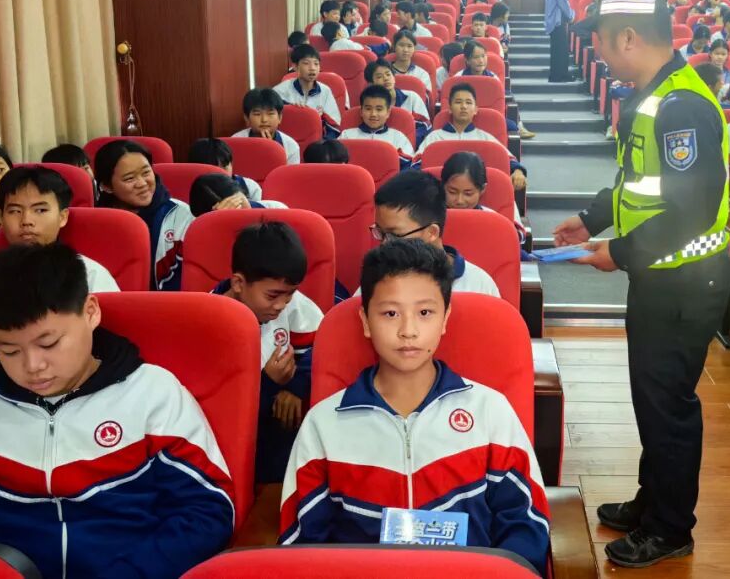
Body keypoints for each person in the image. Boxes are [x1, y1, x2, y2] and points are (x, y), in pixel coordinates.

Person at [550, 0, 730, 567]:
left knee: (668, 406)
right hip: (662, 277)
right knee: (651, 399)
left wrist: (621, 252)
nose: (598, 51)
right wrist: (591, 217)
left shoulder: (681, 107)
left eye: (601, 39)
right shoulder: (653, 96)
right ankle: (651, 500)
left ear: (628, 36)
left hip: (685, 282)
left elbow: (693, 208)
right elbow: (640, 182)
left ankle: (669, 528)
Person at [0, 244, 233, 578]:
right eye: (9, 350)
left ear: (91, 312)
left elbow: (209, 510)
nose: (32, 366)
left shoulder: (152, 394)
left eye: (49, 344)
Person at [278, 239, 548, 572]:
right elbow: (302, 546)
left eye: (425, 313)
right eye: (390, 313)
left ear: (445, 319)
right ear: (365, 320)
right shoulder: (324, 424)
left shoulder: (489, 411)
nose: (408, 331)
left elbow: (525, 522)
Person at [214, 222, 322, 483]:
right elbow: (221, 407)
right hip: (235, 438)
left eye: (290, 294)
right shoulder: (211, 320)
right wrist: (269, 382)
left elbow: (323, 346)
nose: (282, 305)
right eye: (273, 296)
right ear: (238, 283)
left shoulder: (291, 305)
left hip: (283, 436)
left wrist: (295, 386)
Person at [0, 166, 119, 300]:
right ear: (2, 218)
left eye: (40, 210)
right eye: (14, 211)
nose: (26, 221)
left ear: (62, 217)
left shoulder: (90, 275)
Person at [371, 170, 500, 297]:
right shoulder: (377, 279)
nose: (384, 244)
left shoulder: (478, 286)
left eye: (394, 235)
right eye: (380, 232)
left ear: (432, 232)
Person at [95, 140, 193, 291]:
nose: (142, 183)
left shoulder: (181, 215)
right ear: (106, 186)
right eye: (129, 178)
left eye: (146, 172)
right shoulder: (96, 222)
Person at [417, 83, 528, 191]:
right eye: (458, 102)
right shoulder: (434, 137)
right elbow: (416, 163)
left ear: (475, 110)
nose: (463, 106)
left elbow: (507, 159)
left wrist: (518, 171)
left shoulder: (485, 138)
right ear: (450, 108)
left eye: (468, 102)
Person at [441, 151, 525, 247]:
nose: (459, 201)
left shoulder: (493, 219)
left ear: (482, 189)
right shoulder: (431, 218)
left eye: (468, 194)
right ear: (443, 186)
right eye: (452, 192)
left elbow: (513, 240)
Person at [337, 84, 416, 167]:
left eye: (379, 109)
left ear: (388, 112)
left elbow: (409, 166)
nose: (373, 114)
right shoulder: (347, 136)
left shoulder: (398, 138)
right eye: (368, 109)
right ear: (361, 111)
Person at [273, 44, 342, 134]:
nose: (312, 68)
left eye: (316, 64)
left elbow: (334, 126)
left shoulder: (325, 91)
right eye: (306, 63)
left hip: (316, 139)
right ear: (295, 66)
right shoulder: (281, 91)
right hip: (288, 136)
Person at [365, 60, 430, 145]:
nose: (386, 78)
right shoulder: (369, 103)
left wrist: (406, 142)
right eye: (379, 77)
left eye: (388, 74)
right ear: (371, 84)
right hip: (381, 145)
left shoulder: (411, 97)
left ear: (394, 77)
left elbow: (425, 126)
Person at [233, 87, 301, 166]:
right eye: (257, 114)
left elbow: (289, 173)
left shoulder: (291, 146)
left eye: (270, 114)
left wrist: (271, 150)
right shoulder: (235, 142)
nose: (264, 120)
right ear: (247, 119)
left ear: (280, 118)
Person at [187, 136, 265, 202]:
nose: (220, 175)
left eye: (224, 168)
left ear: (231, 164)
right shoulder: (187, 189)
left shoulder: (250, 187)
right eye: (214, 170)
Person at [545, 0, 575, 82]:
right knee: (560, 49)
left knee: (559, 49)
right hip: (557, 21)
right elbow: (563, 2)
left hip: (556, 20)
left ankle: (558, 75)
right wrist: (571, 15)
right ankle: (559, 75)